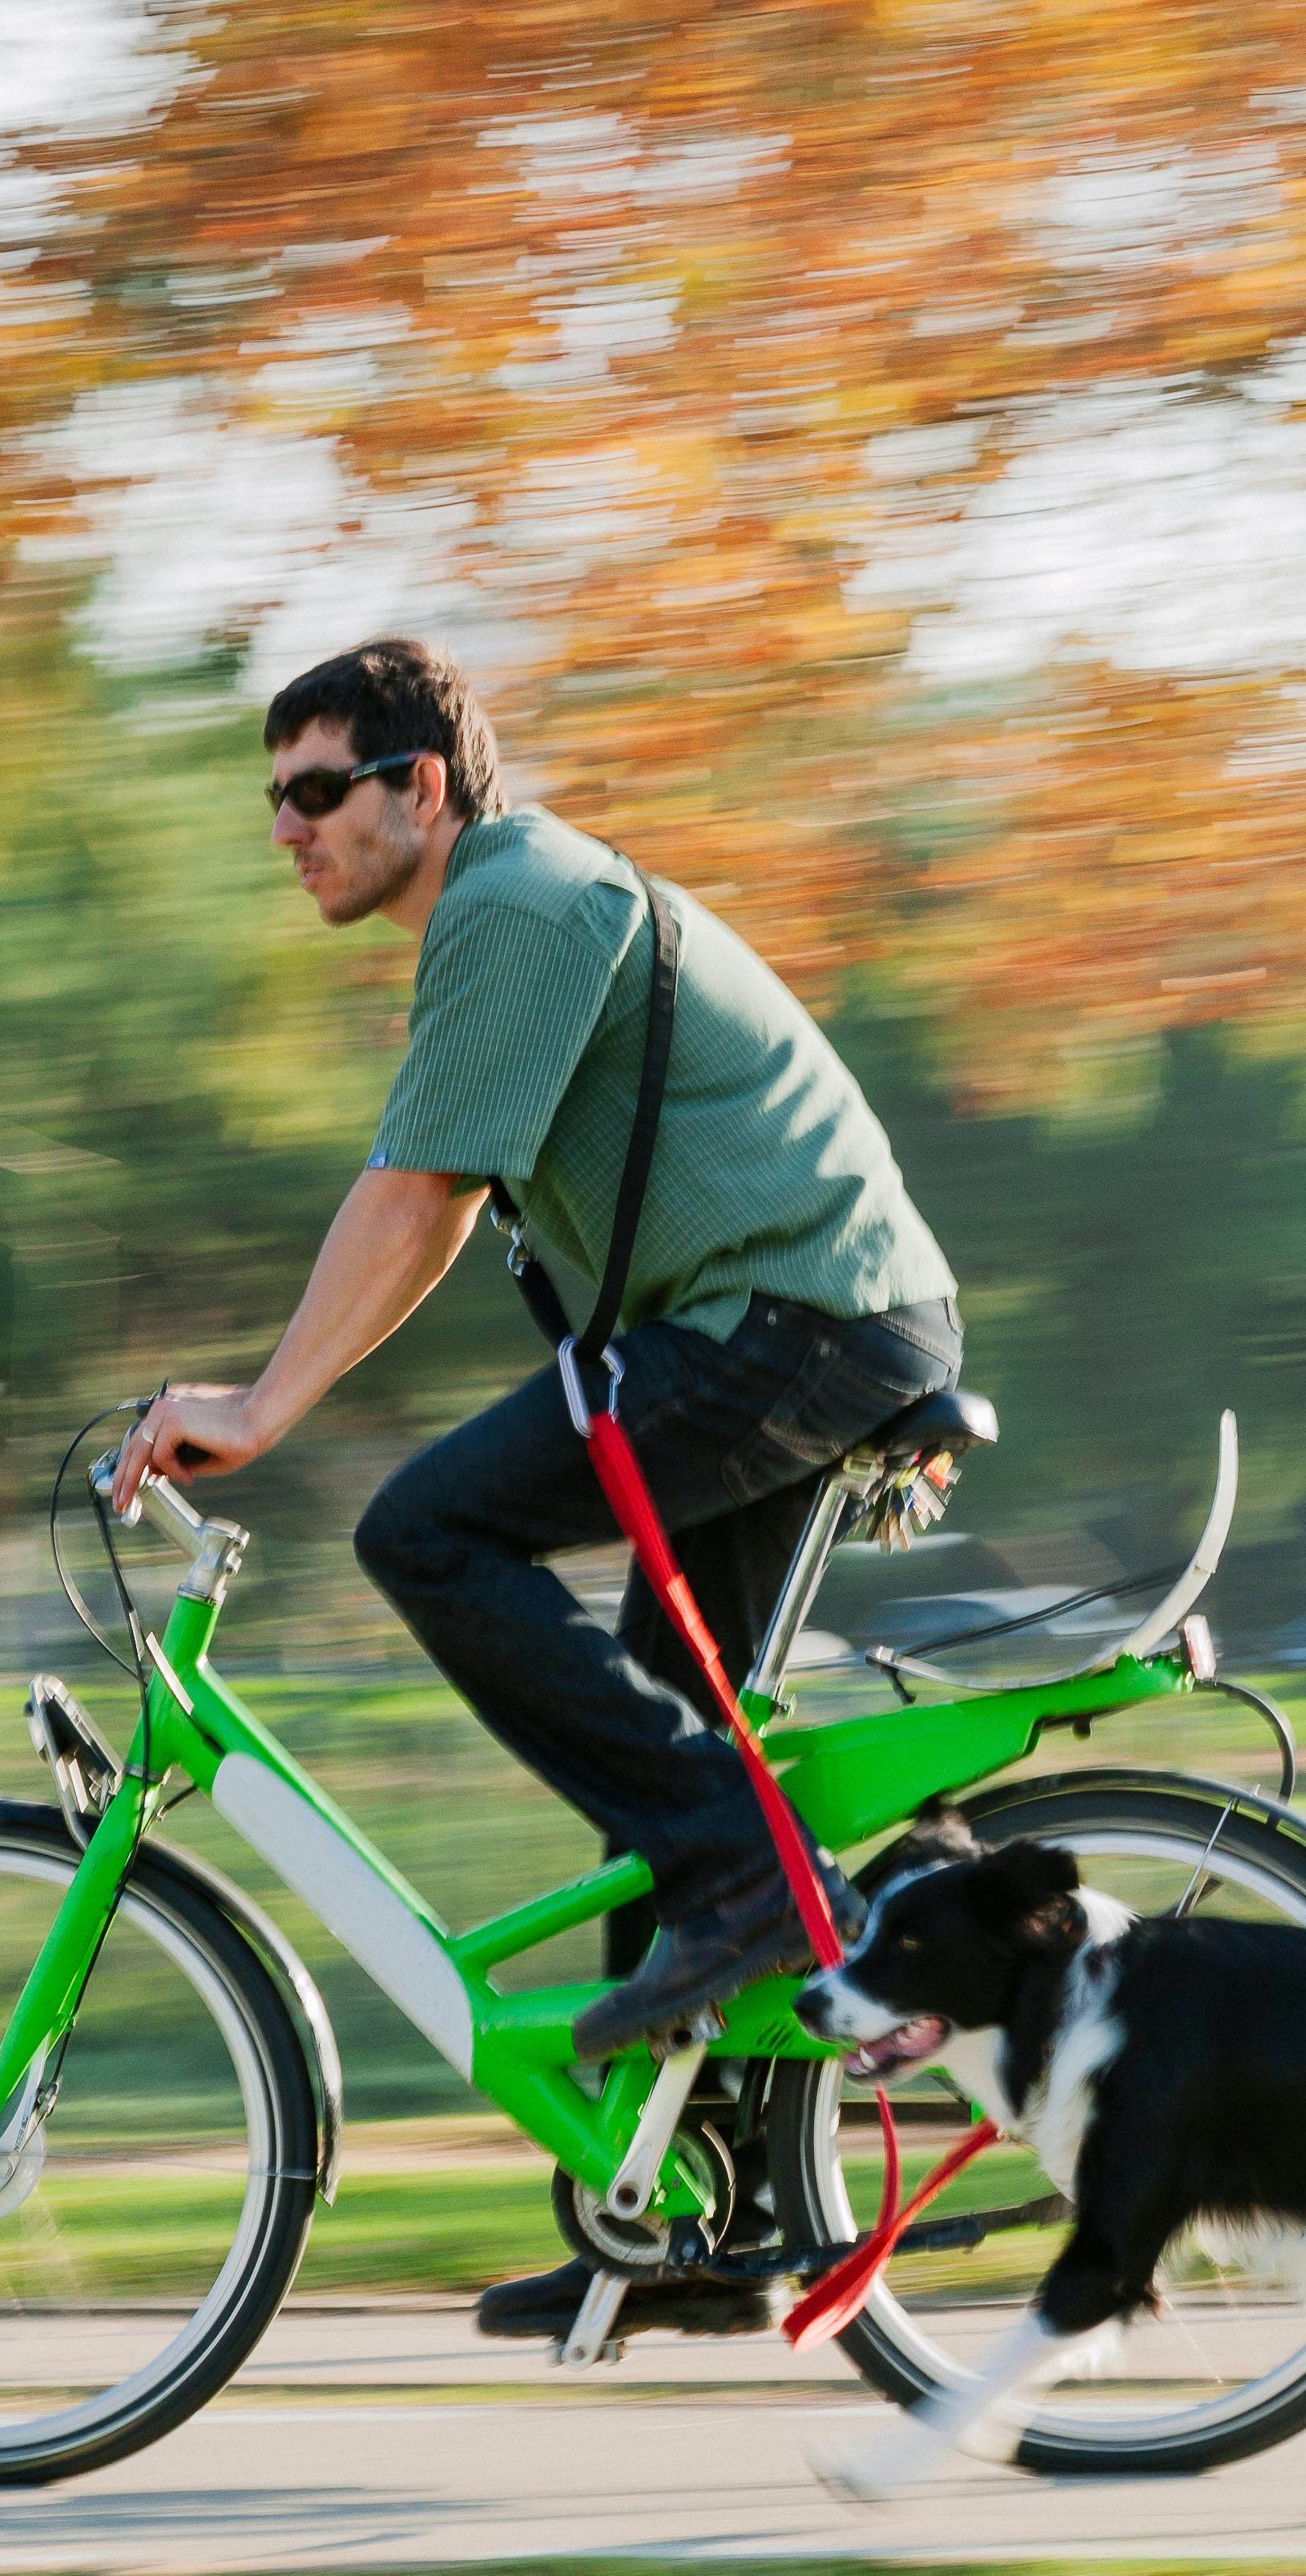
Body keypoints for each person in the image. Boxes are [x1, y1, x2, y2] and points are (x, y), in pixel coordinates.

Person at [101, 636, 965, 2339]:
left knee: (425, 1532)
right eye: (272, 800)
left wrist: (262, 1406)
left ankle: (766, 1889)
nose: (287, 828)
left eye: (317, 791)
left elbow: (416, 1193)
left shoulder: (507, 894)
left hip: (792, 1324)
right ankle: (703, 2225)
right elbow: (432, 1205)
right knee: (656, 1738)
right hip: (814, 1324)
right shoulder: (510, 909)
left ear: (423, 787)